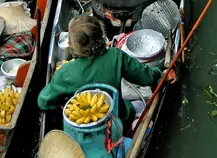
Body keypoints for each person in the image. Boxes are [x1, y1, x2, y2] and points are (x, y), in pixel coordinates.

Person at [38, 16, 175, 129]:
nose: (69, 42)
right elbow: (148, 77)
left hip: (84, 125)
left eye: (71, 41)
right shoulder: (116, 55)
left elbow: (43, 101)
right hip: (120, 118)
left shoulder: (65, 72)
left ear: (78, 46)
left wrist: (63, 102)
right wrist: (162, 75)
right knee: (137, 105)